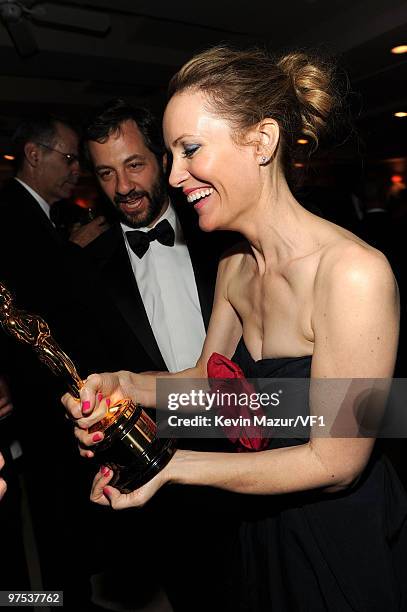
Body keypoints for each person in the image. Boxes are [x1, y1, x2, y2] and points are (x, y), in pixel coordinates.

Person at [63, 47, 407, 611]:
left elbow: (338, 464)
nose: (173, 176)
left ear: (262, 140)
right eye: (171, 155)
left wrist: (171, 467)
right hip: (259, 522)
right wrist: (123, 382)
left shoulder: (355, 274)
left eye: (190, 150)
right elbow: (208, 387)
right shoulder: (233, 265)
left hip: (339, 536)